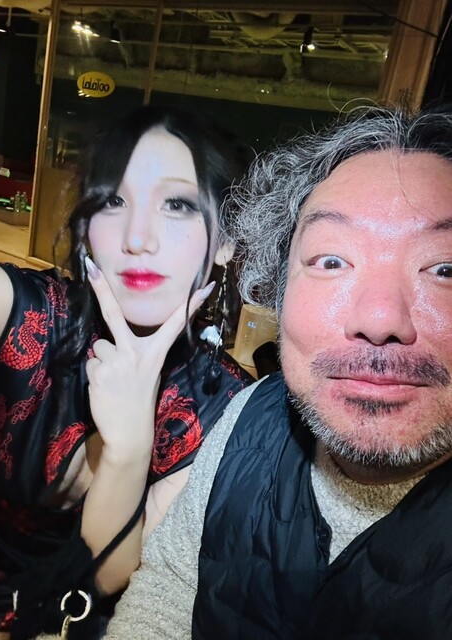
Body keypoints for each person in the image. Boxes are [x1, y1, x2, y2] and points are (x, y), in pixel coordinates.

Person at [103, 104, 452, 640]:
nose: (380, 318)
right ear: (278, 289)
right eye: (331, 261)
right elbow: (170, 586)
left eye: (445, 268)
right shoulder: (251, 410)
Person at [0, 105, 253, 638]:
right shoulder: (28, 317)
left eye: (177, 204)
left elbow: (106, 581)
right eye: (113, 201)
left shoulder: (224, 408)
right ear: (86, 229)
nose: (137, 238)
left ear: (225, 242)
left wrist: (128, 446)